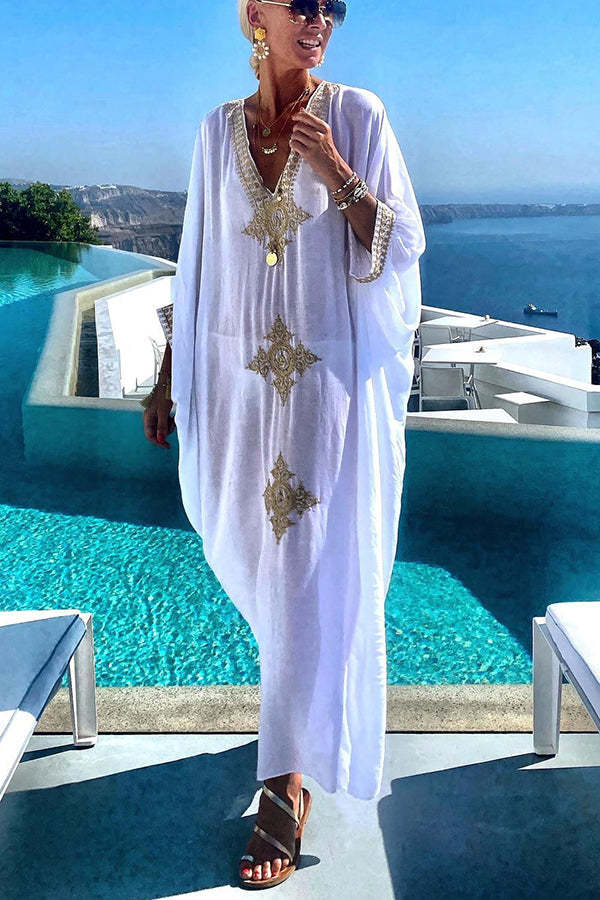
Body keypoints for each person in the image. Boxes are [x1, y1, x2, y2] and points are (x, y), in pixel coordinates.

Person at [142, 0, 426, 888]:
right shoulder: (215, 131)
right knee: (254, 561)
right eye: (300, 2)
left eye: (331, 7)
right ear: (253, 13)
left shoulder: (358, 115)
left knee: (302, 574)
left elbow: (401, 247)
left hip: (321, 391)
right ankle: (291, 729)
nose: (318, 18)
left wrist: (337, 171)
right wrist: (168, 372)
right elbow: (197, 259)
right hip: (233, 387)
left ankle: (284, 787)